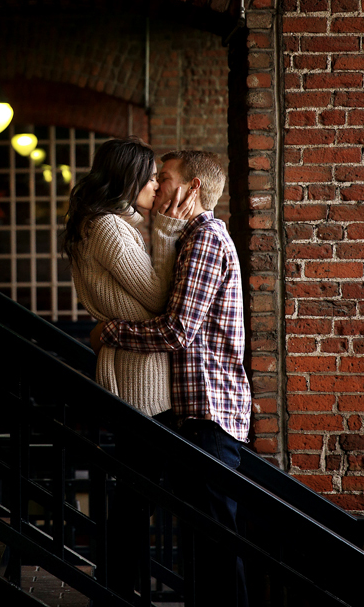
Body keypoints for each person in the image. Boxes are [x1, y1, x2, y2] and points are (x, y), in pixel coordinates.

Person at [90, 149, 251, 607]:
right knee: (202, 550)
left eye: (165, 177)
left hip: (208, 412)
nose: (157, 185)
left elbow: (177, 331)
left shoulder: (204, 238)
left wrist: (109, 332)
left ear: (193, 187)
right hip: (195, 414)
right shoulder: (188, 238)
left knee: (216, 549)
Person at [64, 137, 197, 417]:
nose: (157, 186)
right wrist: (165, 230)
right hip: (139, 377)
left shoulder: (103, 223)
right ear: (128, 179)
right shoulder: (108, 226)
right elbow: (159, 297)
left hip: (136, 368)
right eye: (150, 178)